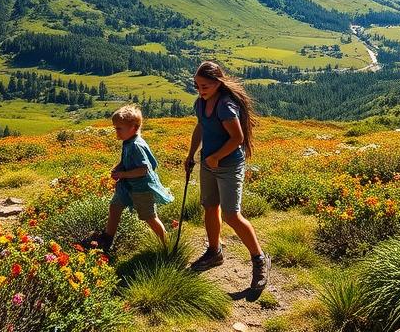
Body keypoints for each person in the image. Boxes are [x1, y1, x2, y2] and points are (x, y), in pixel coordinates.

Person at [185, 61, 270, 290]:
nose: (200, 90)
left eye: (205, 86)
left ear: (217, 83)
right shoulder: (200, 104)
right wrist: (192, 154)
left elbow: (237, 138)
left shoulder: (226, 105)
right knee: (210, 206)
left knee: (232, 215)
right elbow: (201, 127)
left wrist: (215, 157)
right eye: (197, 86)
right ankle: (214, 252)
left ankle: (260, 259)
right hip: (208, 163)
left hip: (229, 165)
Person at [95, 104, 172, 251]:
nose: (116, 131)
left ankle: (167, 244)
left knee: (149, 217)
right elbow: (127, 160)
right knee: (115, 206)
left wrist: (123, 174)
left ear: (134, 128)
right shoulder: (128, 142)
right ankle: (107, 238)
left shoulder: (137, 145)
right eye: (115, 128)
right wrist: (119, 167)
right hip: (127, 186)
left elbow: (143, 170)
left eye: (119, 128)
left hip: (141, 188)